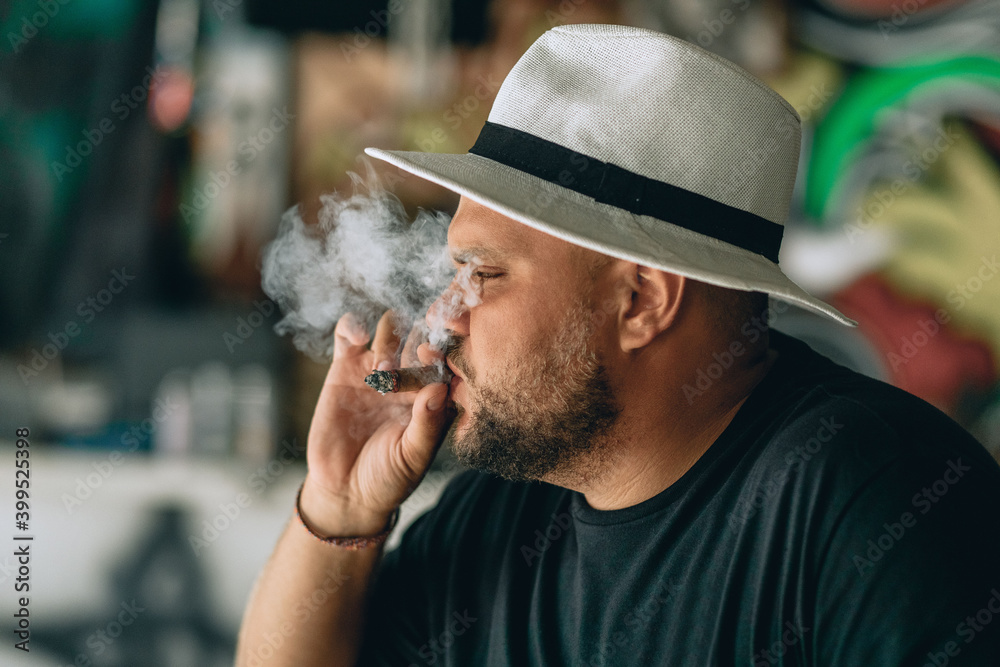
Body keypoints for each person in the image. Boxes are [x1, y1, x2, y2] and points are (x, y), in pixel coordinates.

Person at [235, 24, 1000, 666]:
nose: (441, 320)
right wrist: (337, 513)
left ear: (642, 301)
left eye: (482, 275)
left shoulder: (876, 503)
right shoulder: (503, 511)